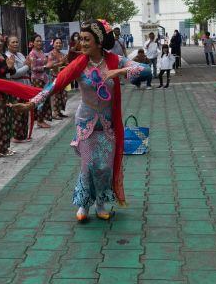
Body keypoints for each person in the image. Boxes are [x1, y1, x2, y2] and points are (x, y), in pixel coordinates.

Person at [14, 20, 148, 221]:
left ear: (99, 42)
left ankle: (101, 203)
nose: (82, 44)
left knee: (104, 166)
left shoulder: (114, 60)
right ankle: (84, 204)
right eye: (80, 39)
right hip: (86, 121)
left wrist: (120, 72)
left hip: (108, 122)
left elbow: (145, 69)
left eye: (87, 40)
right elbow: (54, 85)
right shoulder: (79, 64)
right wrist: (31, 104)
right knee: (89, 164)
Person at [6, 35, 32, 142]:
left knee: (25, 109)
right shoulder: (7, 56)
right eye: (13, 42)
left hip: (25, 85)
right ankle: (17, 136)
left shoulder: (20, 54)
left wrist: (27, 67)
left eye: (17, 42)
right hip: (16, 86)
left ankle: (23, 135)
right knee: (17, 110)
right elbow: (14, 74)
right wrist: (27, 66)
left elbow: (28, 66)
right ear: (8, 45)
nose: (16, 44)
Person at [29, 34, 53, 128]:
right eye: (37, 41)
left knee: (45, 99)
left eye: (40, 41)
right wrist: (45, 66)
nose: (39, 43)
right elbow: (33, 68)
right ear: (33, 43)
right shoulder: (32, 53)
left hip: (44, 79)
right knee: (40, 100)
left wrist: (49, 64)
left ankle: (42, 119)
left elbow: (46, 64)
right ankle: (39, 121)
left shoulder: (42, 52)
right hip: (37, 80)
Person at [47, 37, 69, 119]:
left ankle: (59, 111)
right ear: (53, 44)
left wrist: (65, 63)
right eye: (57, 43)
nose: (59, 44)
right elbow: (50, 66)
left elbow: (67, 64)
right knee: (55, 95)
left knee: (63, 95)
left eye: (60, 43)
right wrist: (60, 62)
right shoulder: (51, 54)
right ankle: (55, 113)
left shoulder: (63, 54)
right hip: (54, 77)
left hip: (63, 77)